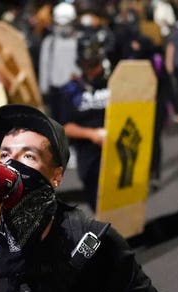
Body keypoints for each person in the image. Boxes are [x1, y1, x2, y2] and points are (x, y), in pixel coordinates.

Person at [0, 103, 178, 292]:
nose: (11, 166)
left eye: (28, 156)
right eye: (4, 154)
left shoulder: (89, 238)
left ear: (56, 176)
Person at [58, 28, 111, 212]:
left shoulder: (113, 82)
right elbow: (66, 126)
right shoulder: (72, 90)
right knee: (98, 201)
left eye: (96, 62)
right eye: (90, 63)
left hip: (117, 149)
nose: (95, 68)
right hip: (89, 155)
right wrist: (92, 134)